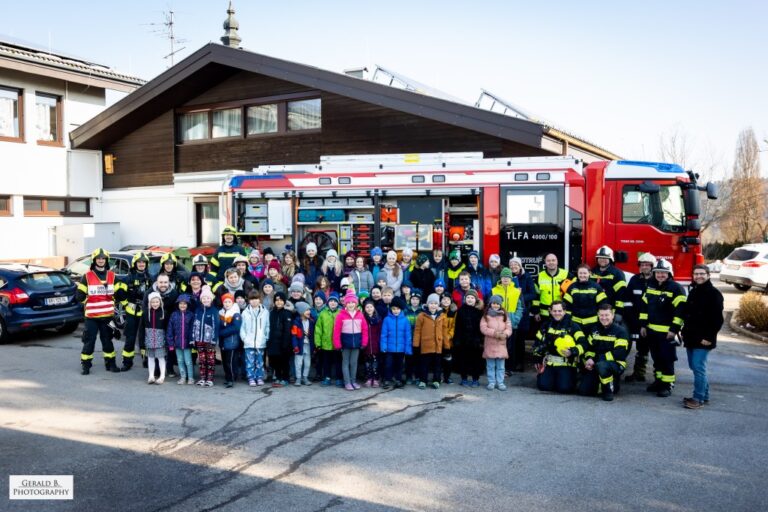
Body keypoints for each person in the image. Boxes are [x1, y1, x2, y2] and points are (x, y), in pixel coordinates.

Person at [639, 259, 686, 398]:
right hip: (652, 331)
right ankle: (659, 381)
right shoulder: (651, 286)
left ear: (669, 274)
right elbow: (644, 307)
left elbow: (680, 312)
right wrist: (643, 325)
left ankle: (667, 385)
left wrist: (674, 329)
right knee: (657, 358)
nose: (660, 275)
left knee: (667, 359)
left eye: (663, 273)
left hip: (667, 332)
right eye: (658, 272)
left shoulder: (676, 288)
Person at [682, 264, 724, 409]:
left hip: (704, 339)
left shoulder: (714, 294)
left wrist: (709, 337)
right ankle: (704, 396)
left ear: (708, 275)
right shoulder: (694, 291)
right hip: (691, 337)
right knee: (694, 366)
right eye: (696, 274)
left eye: (702, 274)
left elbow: (717, 320)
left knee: (698, 367)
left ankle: (697, 398)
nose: (699, 276)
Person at [568, 304, 628, 401]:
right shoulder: (595, 329)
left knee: (602, 366)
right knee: (583, 391)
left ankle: (608, 390)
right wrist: (588, 359)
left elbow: (619, 353)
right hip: (596, 364)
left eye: (607, 315)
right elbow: (589, 348)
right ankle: (600, 383)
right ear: (598, 315)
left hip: (615, 364)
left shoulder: (621, 332)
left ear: (612, 315)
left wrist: (595, 360)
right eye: (601, 315)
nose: (604, 318)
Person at [77, 248, 120, 375]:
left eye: (103, 258)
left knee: (107, 341)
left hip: (107, 316)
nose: (101, 260)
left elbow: (120, 293)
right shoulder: (87, 276)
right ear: (94, 260)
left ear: (106, 260)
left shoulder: (112, 276)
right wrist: (90, 301)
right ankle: (86, 365)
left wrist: (116, 297)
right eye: (98, 258)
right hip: (92, 317)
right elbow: (79, 296)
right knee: (89, 341)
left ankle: (110, 364)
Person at [532, 301, 585, 394]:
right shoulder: (546, 325)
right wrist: (537, 359)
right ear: (551, 311)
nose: (557, 313)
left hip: (566, 364)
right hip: (550, 363)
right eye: (555, 311)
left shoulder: (573, 326)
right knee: (543, 386)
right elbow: (537, 342)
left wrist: (573, 351)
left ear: (564, 311)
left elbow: (583, 344)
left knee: (564, 389)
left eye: (560, 311)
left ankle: (573, 377)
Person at [114, 251, 151, 372]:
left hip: (145, 312)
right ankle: (127, 362)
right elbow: (118, 293)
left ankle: (146, 360)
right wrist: (126, 304)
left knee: (145, 338)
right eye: (139, 262)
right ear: (135, 264)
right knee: (130, 338)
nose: (141, 264)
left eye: (143, 262)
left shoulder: (150, 278)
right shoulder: (128, 278)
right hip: (132, 313)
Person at [623, 252, 657, 382]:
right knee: (641, 348)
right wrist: (632, 319)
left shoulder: (658, 281)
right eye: (642, 265)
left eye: (647, 265)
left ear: (652, 266)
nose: (644, 267)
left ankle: (660, 378)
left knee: (657, 350)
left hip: (655, 322)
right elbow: (627, 300)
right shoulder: (635, 279)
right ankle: (639, 373)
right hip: (637, 320)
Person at [143, 273, 180, 378]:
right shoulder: (149, 292)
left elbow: (176, 309)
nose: (163, 284)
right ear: (157, 282)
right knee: (155, 347)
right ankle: (156, 370)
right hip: (155, 324)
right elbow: (145, 308)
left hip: (169, 322)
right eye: (161, 282)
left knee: (170, 347)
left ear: (169, 283)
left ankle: (170, 368)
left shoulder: (174, 293)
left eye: (165, 282)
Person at [333, 289, 369, 390]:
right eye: (348, 302)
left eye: (353, 302)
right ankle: (347, 382)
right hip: (345, 344)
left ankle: (353, 381)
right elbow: (336, 331)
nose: (351, 304)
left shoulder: (360, 315)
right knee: (345, 363)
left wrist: (364, 342)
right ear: (345, 304)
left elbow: (365, 329)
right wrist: (337, 344)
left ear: (356, 303)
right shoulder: (341, 315)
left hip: (356, 343)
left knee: (354, 363)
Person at [492, 268, 524, 373]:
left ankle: (509, 368)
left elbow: (520, 307)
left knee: (510, 347)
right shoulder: (494, 290)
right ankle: (498, 368)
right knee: (497, 346)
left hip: (511, 323)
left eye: (508, 277)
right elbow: (489, 306)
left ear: (511, 279)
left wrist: (516, 319)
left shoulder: (517, 291)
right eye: (503, 277)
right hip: (497, 324)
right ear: (500, 278)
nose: (505, 279)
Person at [509, 257, 537, 372]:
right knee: (511, 339)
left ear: (520, 266)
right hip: (510, 311)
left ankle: (520, 364)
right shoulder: (507, 277)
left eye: (516, 264)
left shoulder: (527, 277)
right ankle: (511, 364)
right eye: (511, 265)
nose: (513, 266)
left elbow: (533, 294)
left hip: (523, 312)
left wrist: (519, 297)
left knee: (520, 339)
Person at [414, 293, 446, 389]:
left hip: (437, 345)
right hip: (425, 345)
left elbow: (444, 331)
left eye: (435, 303)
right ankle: (423, 380)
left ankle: (436, 380)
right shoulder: (422, 315)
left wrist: (446, 345)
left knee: (437, 364)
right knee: (424, 364)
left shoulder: (442, 316)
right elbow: (417, 330)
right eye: (431, 303)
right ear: (427, 304)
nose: (433, 305)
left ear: (438, 305)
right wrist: (416, 344)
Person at [480, 295, 513, 390]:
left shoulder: (504, 315)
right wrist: (494, 333)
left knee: (501, 366)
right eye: (494, 303)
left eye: (498, 303)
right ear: (490, 304)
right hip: (490, 344)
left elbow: (509, 328)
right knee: (490, 365)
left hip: (501, 344)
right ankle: (491, 382)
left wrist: (505, 334)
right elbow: (483, 328)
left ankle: (500, 382)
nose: (495, 305)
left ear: (500, 304)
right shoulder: (486, 316)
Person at [453, 289, 484, 387]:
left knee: (476, 360)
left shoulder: (479, 311)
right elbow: (457, 326)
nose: (470, 299)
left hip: (476, 340)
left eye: (472, 298)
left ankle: (475, 379)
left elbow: (482, 327)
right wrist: (457, 339)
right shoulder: (461, 310)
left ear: (476, 300)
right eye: (468, 297)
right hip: (463, 340)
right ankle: (464, 378)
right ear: (465, 299)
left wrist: (481, 340)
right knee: (463, 360)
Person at [380, 296, 412, 389]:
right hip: (389, 349)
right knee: (388, 365)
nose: (395, 311)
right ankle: (387, 380)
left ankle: (398, 379)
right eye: (393, 309)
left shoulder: (405, 320)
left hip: (401, 349)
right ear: (391, 309)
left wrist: (407, 348)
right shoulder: (387, 319)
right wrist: (383, 346)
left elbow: (408, 336)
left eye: (397, 309)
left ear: (401, 309)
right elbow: (383, 334)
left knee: (400, 365)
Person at [563, 264, 607, 329]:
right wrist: (567, 320)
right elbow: (567, 305)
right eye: (580, 273)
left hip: (593, 323)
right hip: (575, 322)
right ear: (577, 274)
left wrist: (601, 320)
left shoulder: (596, 287)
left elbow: (602, 305)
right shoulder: (572, 287)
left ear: (589, 273)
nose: (582, 275)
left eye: (585, 273)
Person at [240, 290, 270, 386]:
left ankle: (259, 377)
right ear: (249, 300)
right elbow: (242, 327)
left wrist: (266, 337)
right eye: (252, 299)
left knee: (260, 362)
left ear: (259, 299)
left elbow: (267, 326)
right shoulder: (245, 312)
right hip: (249, 342)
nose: (254, 301)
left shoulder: (265, 312)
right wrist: (244, 338)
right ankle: (251, 378)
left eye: (256, 299)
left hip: (261, 342)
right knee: (250, 362)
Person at [532, 253, 572, 323]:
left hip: (561, 313)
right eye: (548, 260)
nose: (551, 262)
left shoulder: (566, 275)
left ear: (557, 261)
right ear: (545, 262)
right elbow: (536, 296)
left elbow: (573, 293)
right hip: (544, 314)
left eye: (553, 260)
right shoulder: (540, 276)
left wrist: (568, 312)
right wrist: (536, 312)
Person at [192, 286, 219, 387]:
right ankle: (203, 378)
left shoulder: (214, 311)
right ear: (201, 299)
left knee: (210, 360)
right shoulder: (198, 310)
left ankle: (210, 379)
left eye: (208, 298)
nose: (206, 300)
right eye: (203, 298)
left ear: (211, 299)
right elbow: (194, 324)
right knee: (202, 360)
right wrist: (193, 338)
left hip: (209, 341)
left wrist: (213, 339)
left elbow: (216, 326)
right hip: (199, 340)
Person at [166, 294, 195, 385]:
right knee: (180, 361)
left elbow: (193, 329)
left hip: (187, 343)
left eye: (185, 303)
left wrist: (192, 341)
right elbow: (170, 329)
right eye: (180, 303)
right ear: (177, 304)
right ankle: (183, 377)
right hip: (177, 343)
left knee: (188, 361)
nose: (182, 305)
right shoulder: (174, 315)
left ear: (188, 305)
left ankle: (190, 377)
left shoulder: (191, 315)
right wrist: (170, 343)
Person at [590, 246, 627, 317]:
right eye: (600, 257)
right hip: (594, 310)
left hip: (609, 310)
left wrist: (618, 312)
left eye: (605, 258)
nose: (602, 260)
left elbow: (621, 294)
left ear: (610, 259)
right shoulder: (592, 272)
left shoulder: (617, 273)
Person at [315, 292, 342, 386]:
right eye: (331, 301)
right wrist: (318, 342)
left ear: (338, 303)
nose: (333, 303)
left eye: (335, 301)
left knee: (338, 362)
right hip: (326, 343)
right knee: (326, 362)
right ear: (328, 302)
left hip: (338, 343)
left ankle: (339, 378)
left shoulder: (341, 313)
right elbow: (318, 328)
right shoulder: (323, 313)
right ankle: (327, 377)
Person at [267, 292, 293, 387]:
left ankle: (285, 378)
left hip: (284, 343)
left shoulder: (287, 313)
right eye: (277, 300)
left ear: (284, 302)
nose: (279, 302)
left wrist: (285, 344)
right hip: (273, 342)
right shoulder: (271, 313)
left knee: (284, 361)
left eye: (281, 300)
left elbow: (287, 330)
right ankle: (278, 377)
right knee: (275, 361)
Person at [218, 293, 242, 388]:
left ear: (232, 302)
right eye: (225, 302)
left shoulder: (235, 314)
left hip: (231, 341)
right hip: (223, 342)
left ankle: (231, 379)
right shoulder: (221, 313)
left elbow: (235, 328)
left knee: (230, 362)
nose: (227, 304)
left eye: (229, 302)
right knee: (225, 361)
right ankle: (228, 377)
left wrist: (221, 332)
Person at [143, 291, 167, 384]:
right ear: (150, 303)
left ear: (160, 302)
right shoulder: (145, 313)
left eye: (157, 302)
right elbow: (141, 328)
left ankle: (162, 376)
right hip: (149, 339)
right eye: (153, 302)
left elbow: (167, 327)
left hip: (160, 340)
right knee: (150, 358)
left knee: (161, 358)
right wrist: (141, 342)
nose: (155, 304)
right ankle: (151, 376)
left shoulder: (164, 313)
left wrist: (167, 340)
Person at [291, 301, 315, 386]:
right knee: (298, 363)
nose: (309, 312)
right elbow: (293, 335)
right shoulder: (296, 322)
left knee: (307, 363)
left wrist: (314, 346)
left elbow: (313, 335)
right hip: (299, 346)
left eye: (309, 310)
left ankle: (305, 377)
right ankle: (298, 378)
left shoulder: (311, 322)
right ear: (301, 312)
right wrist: (295, 346)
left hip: (308, 345)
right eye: (306, 310)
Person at [362, 298, 382, 387]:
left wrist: (379, 342)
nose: (369, 309)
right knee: (367, 364)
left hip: (375, 345)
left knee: (375, 363)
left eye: (371, 307)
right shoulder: (363, 318)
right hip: (366, 345)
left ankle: (376, 378)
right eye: (367, 307)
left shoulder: (378, 319)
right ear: (364, 309)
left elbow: (380, 332)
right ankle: (369, 378)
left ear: (374, 308)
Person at [440, 293, 457, 384]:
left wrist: (449, 336)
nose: (446, 301)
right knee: (439, 359)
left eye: (448, 299)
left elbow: (454, 326)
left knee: (448, 359)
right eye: (444, 299)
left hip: (449, 340)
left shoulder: (454, 312)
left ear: (451, 301)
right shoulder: (438, 310)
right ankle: (439, 376)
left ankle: (447, 376)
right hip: (439, 338)